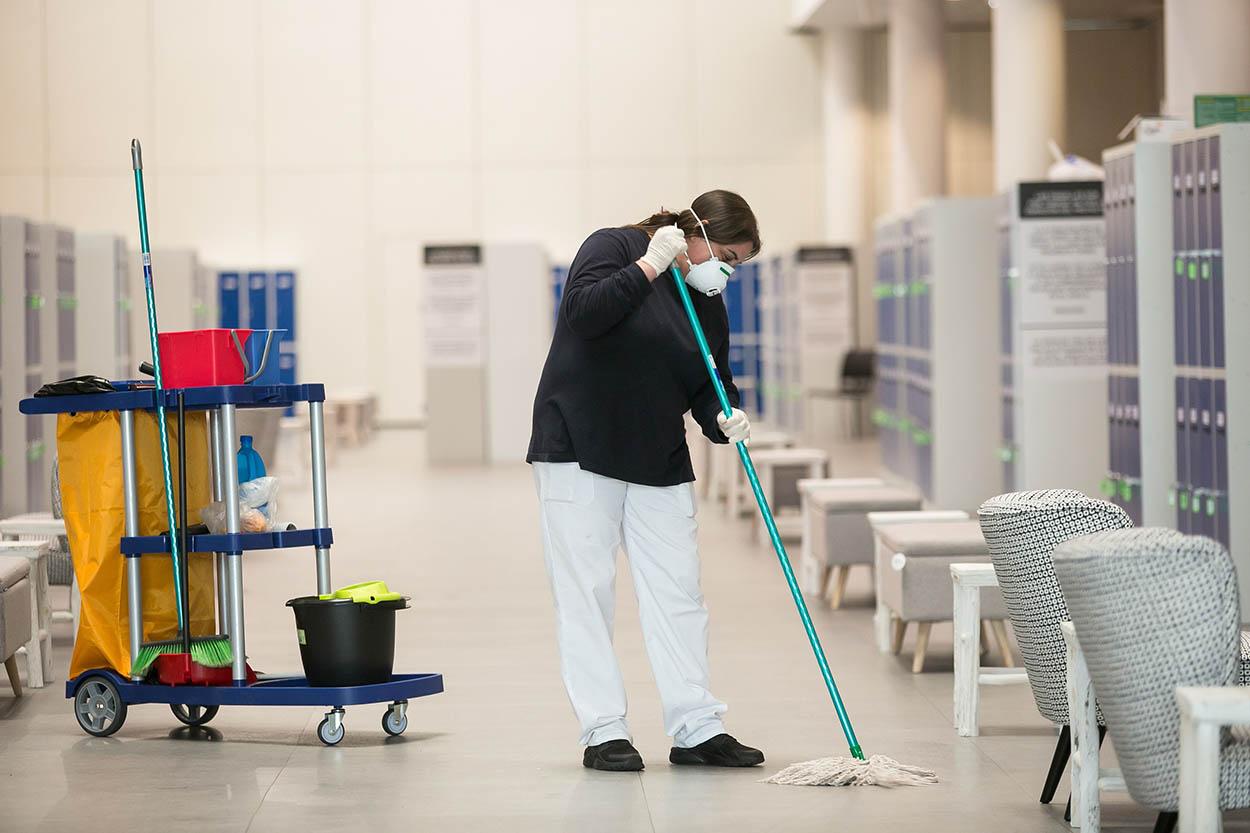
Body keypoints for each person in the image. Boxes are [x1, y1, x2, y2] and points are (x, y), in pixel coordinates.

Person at [527, 189, 765, 772]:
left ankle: (697, 729)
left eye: (738, 265)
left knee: (679, 593)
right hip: (578, 448)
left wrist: (722, 416)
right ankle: (603, 730)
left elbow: (710, 379)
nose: (726, 272)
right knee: (587, 593)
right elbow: (585, 313)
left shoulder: (705, 299)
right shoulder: (615, 246)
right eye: (727, 256)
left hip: (656, 453)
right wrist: (650, 265)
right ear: (700, 231)